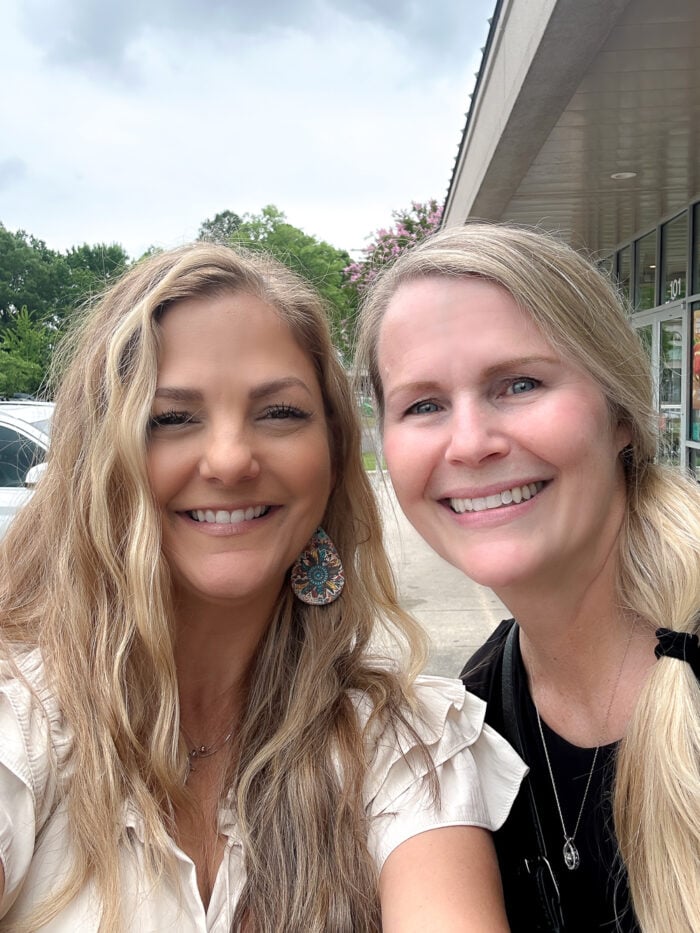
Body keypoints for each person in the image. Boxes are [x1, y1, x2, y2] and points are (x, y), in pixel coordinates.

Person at [0, 242, 526, 931]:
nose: (230, 459)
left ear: (335, 456)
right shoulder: (22, 716)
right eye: (171, 418)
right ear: (102, 456)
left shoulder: (407, 744)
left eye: (278, 412)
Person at [355, 222, 700, 933]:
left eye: (519, 384)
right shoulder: (477, 721)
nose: (471, 442)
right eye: (423, 404)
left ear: (622, 416)